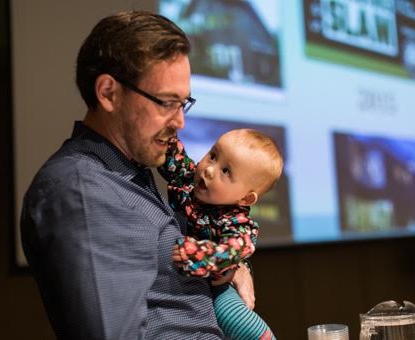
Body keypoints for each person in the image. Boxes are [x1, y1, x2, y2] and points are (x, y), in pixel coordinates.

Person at [20, 11, 255, 339]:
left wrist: (232, 264)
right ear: (108, 93)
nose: (179, 122)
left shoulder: (129, 174)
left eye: (183, 104)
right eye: (166, 103)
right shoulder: (82, 190)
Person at [158, 129, 283, 339]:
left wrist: (200, 255)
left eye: (226, 171)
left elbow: (234, 249)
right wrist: (166, 135)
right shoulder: (189, 180)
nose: (209, 170)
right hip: (182, 286)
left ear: (246, 199)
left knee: (233, 313)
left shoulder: (237, 222)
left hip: (216, 281)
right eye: (213, 155)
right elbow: (173, 157)